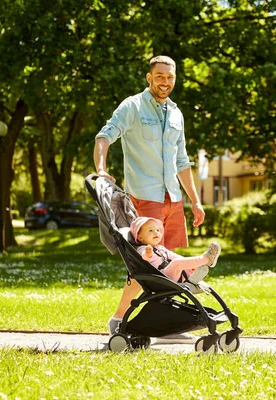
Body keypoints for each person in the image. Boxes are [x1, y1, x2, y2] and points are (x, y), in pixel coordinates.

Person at [93, 55, 206, 343]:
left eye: (170, 77)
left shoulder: (177, 114)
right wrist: (102, 170)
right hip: (144, 199)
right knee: (144, 267)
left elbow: (182, 160)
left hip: (173, 198)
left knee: (166, 268)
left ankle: (165, 325)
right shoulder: (133, 106)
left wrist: (195, 200)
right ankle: (118, 320)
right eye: (160, 76)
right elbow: (104, 136)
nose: (165, 82)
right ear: (149, 77)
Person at [131, 216, 220, 284]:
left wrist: (189, 265)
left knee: (179, 260)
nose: (156, 232)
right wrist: (148, 253)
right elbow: (144, 257)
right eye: (150, 230)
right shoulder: (142, 248)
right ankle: (206, 260)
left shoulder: (160, 248)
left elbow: (175, 256)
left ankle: (192, 274)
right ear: (140, 237)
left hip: (172, 274)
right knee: (176, 263)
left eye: (157, 230)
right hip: (161, 277)